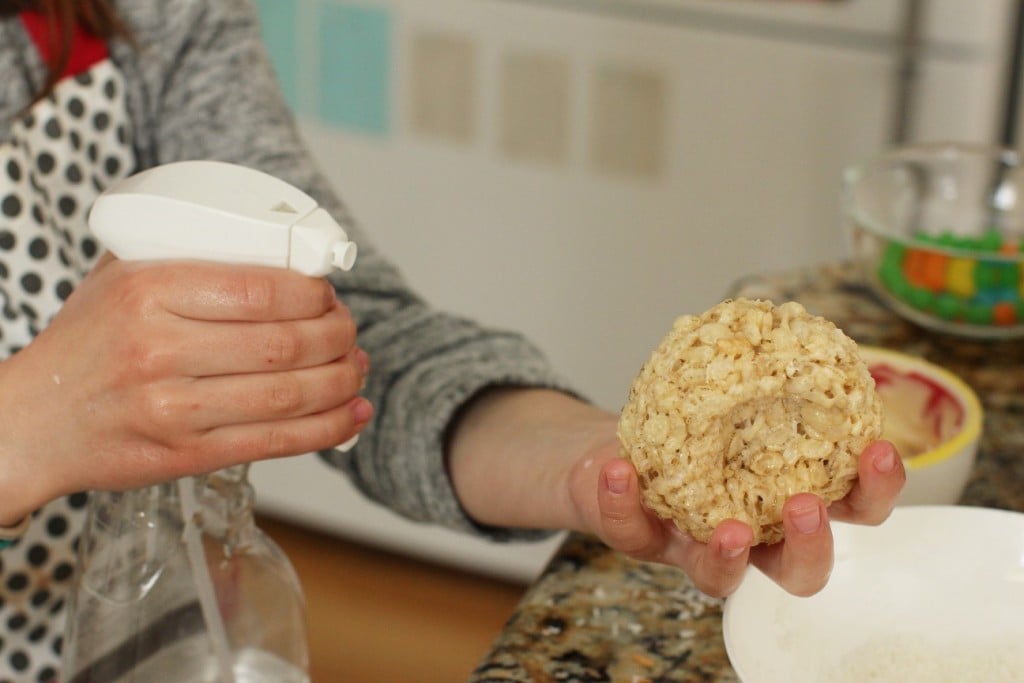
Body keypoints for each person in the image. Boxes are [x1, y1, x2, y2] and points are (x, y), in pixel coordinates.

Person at [0, 1, 906, 680]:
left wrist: (608, 469)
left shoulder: (146, 12)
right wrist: (26, 426)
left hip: (146, 641)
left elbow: (363, 346)